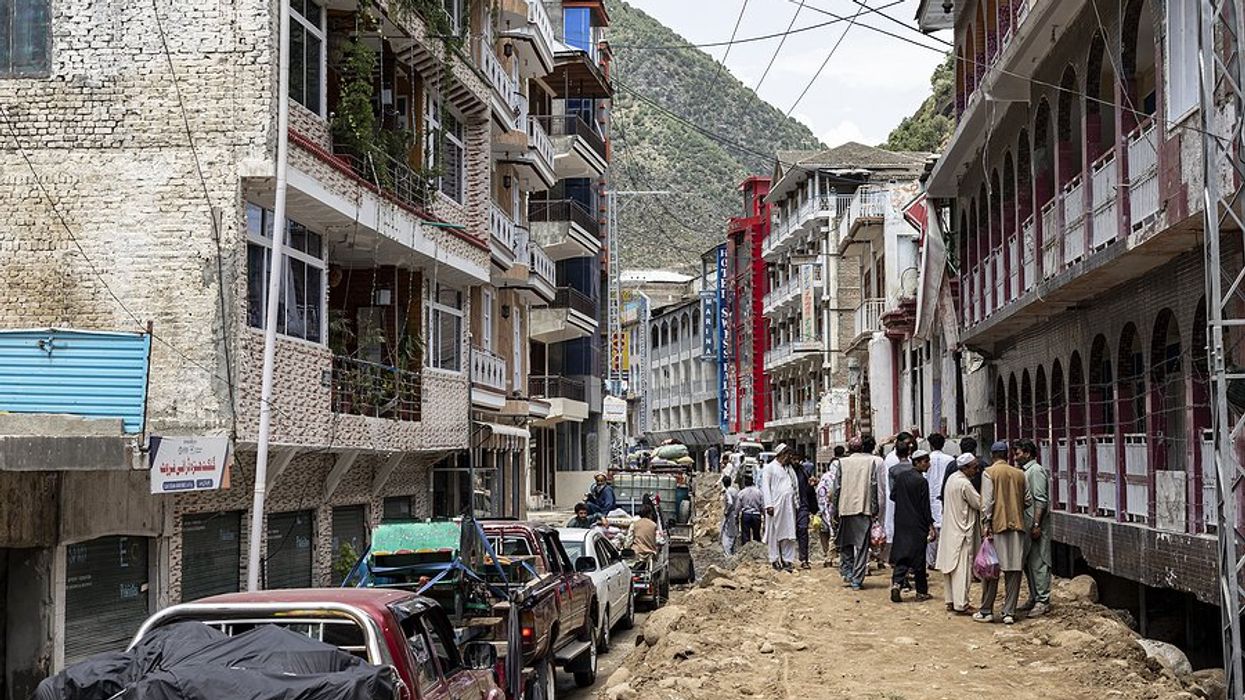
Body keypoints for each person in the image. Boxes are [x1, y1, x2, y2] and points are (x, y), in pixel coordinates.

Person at [975, 441, 1032, 625]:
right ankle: (1009, 612)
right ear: (1007, 454)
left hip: (996, 528)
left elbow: (987, 503)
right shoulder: (1020, 474)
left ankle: (986, 610)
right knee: (1014, 571)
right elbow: (1029, 500)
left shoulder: (989, 473)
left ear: (993, 455)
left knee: (991, 570)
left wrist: (986, 523)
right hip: (1018, 527)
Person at [936, 452, 982, 614]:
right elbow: (979, 503)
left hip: (950, 529)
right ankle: (962, 603)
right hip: (962, 532)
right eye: (974, 468)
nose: (976, 471)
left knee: (950, 569)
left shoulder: (951, 479)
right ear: (965, 468)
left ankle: (950, 600)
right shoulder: (964, 484)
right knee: (962, 569)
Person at [890, 449, 935, 603]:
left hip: (902, 522)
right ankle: (921, 592)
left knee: (902, 555)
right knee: (918, 558)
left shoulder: (901, 477)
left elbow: (893, 495)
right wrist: (931, 525)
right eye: (925, 461)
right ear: (917, 462)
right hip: (918, 524)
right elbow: (925, 506)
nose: (928, 464)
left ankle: (896, 583)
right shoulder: (921, 481)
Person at [835, 436, 880, 589]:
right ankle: (857, 579)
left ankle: (847, 572)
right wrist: (874, 509)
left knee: (845, 542)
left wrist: (835, 509)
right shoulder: (870, 463)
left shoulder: (842, 463)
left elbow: (837, 488)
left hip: (845, 508)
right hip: (864, 507)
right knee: (862, 547)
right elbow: (873, 486)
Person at [1015, 439, 1053, 617]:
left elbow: (1041, 500)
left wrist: (1037, 524)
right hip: (1027, 524)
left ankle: (1042, 600)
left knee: (1039, 562)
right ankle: (1034, 596)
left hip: (1035, 525)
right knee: (1029, 563)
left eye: (1018, 453)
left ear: (1027, 453)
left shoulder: (1035, 472)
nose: (1016, 457)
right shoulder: (1025, 472)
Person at [760, 443, 800, 571]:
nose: (790, 458)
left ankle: (788, 560)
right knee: (774, 533)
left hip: (788, 507)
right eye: (788, 455)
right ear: (782, 454)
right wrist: (769, 505)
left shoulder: (788, 469)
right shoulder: (769, 468)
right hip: (775, 506)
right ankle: (774, 559)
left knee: (788, 533)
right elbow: (765, 487)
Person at [880, 432, 913, 566]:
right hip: (895, 498)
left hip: (904, 499)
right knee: (894, 529)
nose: (910, 445)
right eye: (907, 443)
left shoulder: (908, 460)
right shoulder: (892, 459)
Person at [925, 433, 955, 566]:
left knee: (931, 530)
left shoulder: (926, 459)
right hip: (945, 497)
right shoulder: (949, 460)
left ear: (930, 445)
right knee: (945, 530)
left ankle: (931, 561)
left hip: (929, 496)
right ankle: (944, 559)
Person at [816, 446, 845, 567]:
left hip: (827, 509)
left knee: (828, 532)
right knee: (836, 532)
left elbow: (819, 492)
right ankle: (834, 556)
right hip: (840, 508)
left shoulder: (826, 477)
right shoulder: (844, 475)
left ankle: (828, 556)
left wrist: (822, 507)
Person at [796, 453, 819, 569]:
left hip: (803, 506)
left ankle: (804, 558)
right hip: (788, 506)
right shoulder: (784, 472)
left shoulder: (803, 472)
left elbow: (808, 490)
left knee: (803, 530)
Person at [737, 474, 764, 545]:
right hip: (756, 515)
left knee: (745, 535)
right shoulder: (759, 492)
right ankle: (757, 550)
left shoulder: (742, 493)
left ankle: (746, 550)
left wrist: (736, 515)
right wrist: (764, 514)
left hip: (746, 514)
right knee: (757, 534)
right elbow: (762, 505)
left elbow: (738, 506)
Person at [721, 474, 740, 555]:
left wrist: (726, 511)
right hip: (736, 513)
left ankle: (728, 553)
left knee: (728, 534)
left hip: (731, 514)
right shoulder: (735, 490)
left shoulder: (728, 491)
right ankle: (732, 551)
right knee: (734, 532)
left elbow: (730, 502)